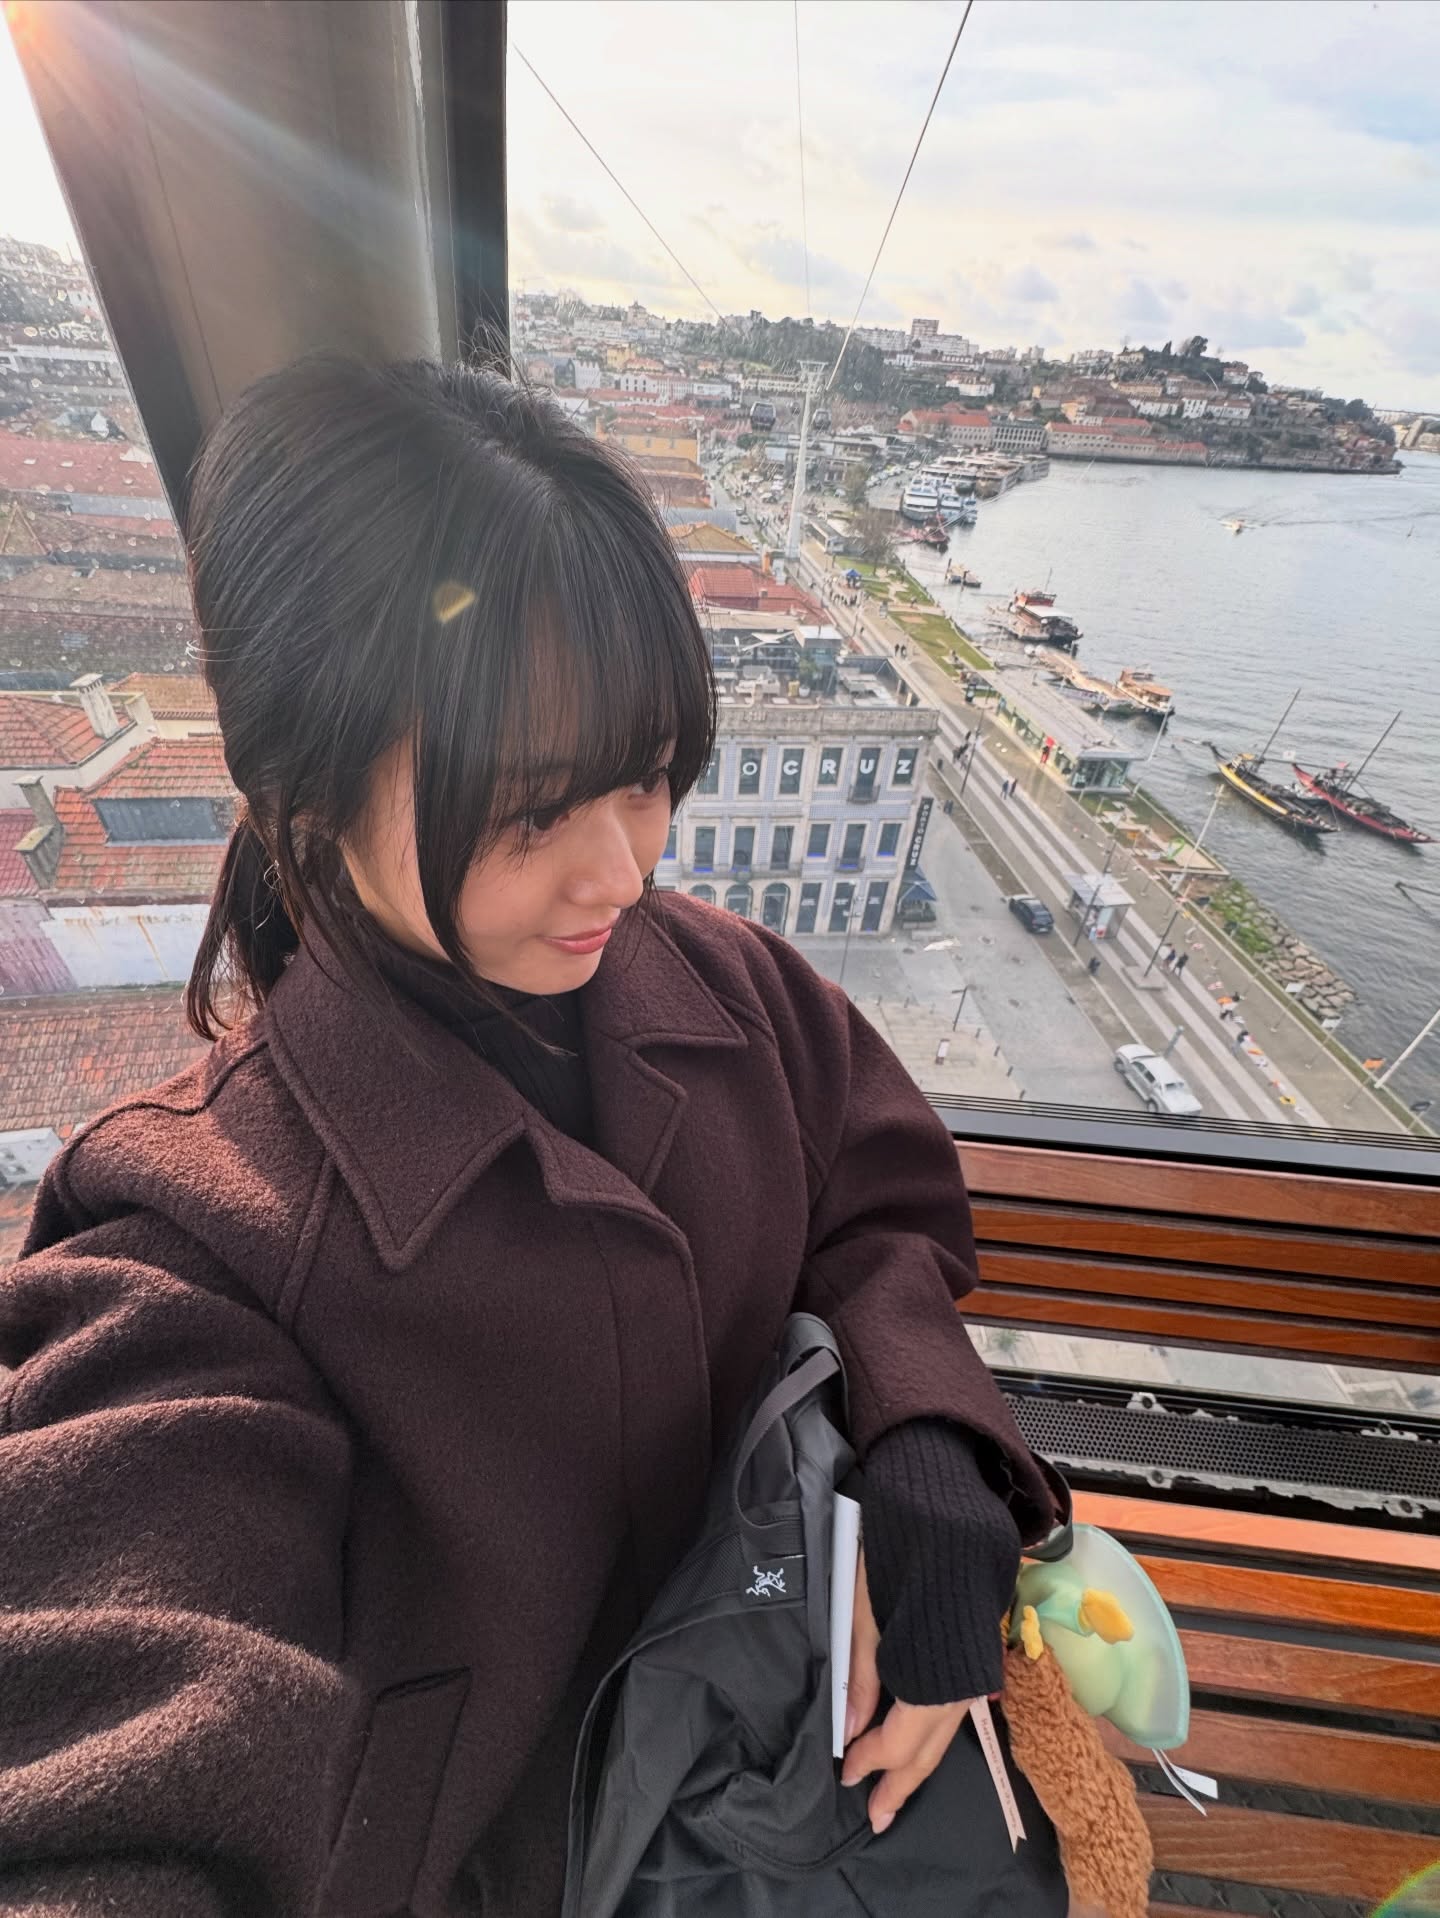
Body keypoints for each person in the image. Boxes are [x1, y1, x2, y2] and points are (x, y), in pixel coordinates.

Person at [0, 359, 1059, 1918]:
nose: (621, 871)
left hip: (783, 1764)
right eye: (530, 811)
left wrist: (928, 1442)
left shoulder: (730, 988)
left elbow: (873, 1200)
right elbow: (126, 1699)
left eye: (644, 778)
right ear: (301, 786)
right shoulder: (194, 1231)